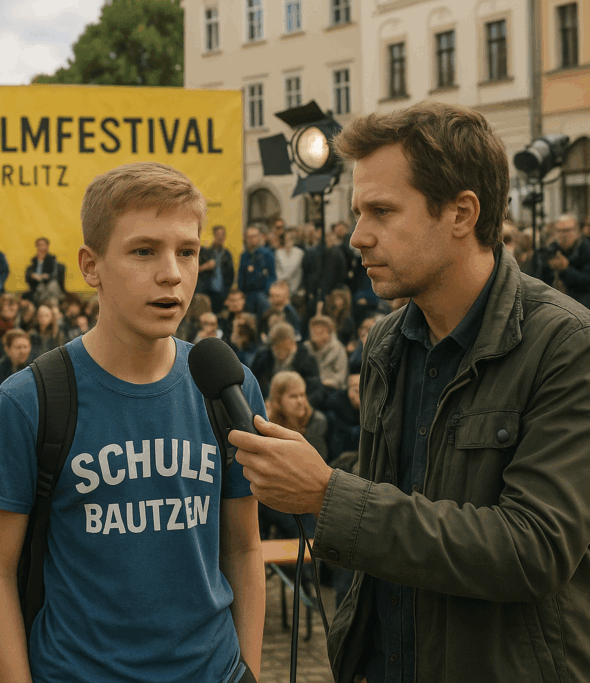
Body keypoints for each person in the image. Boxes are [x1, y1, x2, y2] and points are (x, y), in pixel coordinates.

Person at [230, 101, 590, 682]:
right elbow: (382, 525)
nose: (356, 236)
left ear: (462, 213)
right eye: (356, 212)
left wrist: (327, 494)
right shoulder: (388, 343)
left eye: (381, 211)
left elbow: (533, 551)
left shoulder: (566, 345)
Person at [0, 161, 266, 683]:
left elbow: (242, 547)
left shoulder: (228, 385)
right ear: (90, 265)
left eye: (188, 251)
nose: (172, 272)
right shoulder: (30, 399)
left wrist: (251, 673)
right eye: (144, 250)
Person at [257, 370, 327, 540]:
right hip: (274, 497)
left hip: (309, 498)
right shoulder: (266, 428)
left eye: (303, 395)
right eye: (293, 396)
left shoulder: (316, 423)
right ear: (278, 400)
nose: (301, 401)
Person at [249, 321, 324, 407]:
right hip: (268, 403)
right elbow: (252, 382)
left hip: (297, 405)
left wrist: (301, 405)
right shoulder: (263, 357)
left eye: (283, 347)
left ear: (292, 344)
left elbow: (316, 391)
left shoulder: (307, 360)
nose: (279, 351)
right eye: (276, 347)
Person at [533, 213, 590, 309]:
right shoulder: (549, 251)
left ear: (577, 231)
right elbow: (536, 280)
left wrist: (566, 270)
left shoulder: (586, 250)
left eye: (567, 230)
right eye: (559, 231)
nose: (564, 235)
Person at [0, 329, 33, 409]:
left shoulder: (33, 368)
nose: (23, 351)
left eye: (25, 347)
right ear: (7, 349)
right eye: (18, 347)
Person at [237, 224, 276, 317]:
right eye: (249, 237)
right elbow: (241, 277)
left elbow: (272, 276)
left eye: (254, 236)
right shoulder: (244, 256)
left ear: (259, 237)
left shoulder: (267, 254)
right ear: (245, 239)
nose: (251, 239)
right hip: (248, 295)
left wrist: (268, 293)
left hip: (263, 294)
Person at [197, 224, 235, 313]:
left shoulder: (226, 254)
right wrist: (205, 266)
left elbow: (231, 274)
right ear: (213, 235)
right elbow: (193, 271)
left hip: (221, 292)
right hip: (206, 291)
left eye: (222, 235)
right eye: (218, 235)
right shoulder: (204, 252)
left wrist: (227, 290)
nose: (220, 237)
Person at [305, 315, 349, 390]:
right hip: (311, 386)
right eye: (314, 332)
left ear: (329, 333)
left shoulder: (338, 348)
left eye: (321, 332)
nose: (316, 335)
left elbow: (341, 376)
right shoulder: (306, 348)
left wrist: (324, 383)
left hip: (331, 388)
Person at [24, 236, 64, 305]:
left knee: (52, 285)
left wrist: (46, 276)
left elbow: (56, 275)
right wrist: (33, 275)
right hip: (38, 289)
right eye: (39, 246)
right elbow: (28, 275)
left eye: (42, 245)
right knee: (41, 288)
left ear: (47, 247)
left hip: (50, 288)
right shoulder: (34, 261)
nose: (41, 248)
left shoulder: (52, 260)